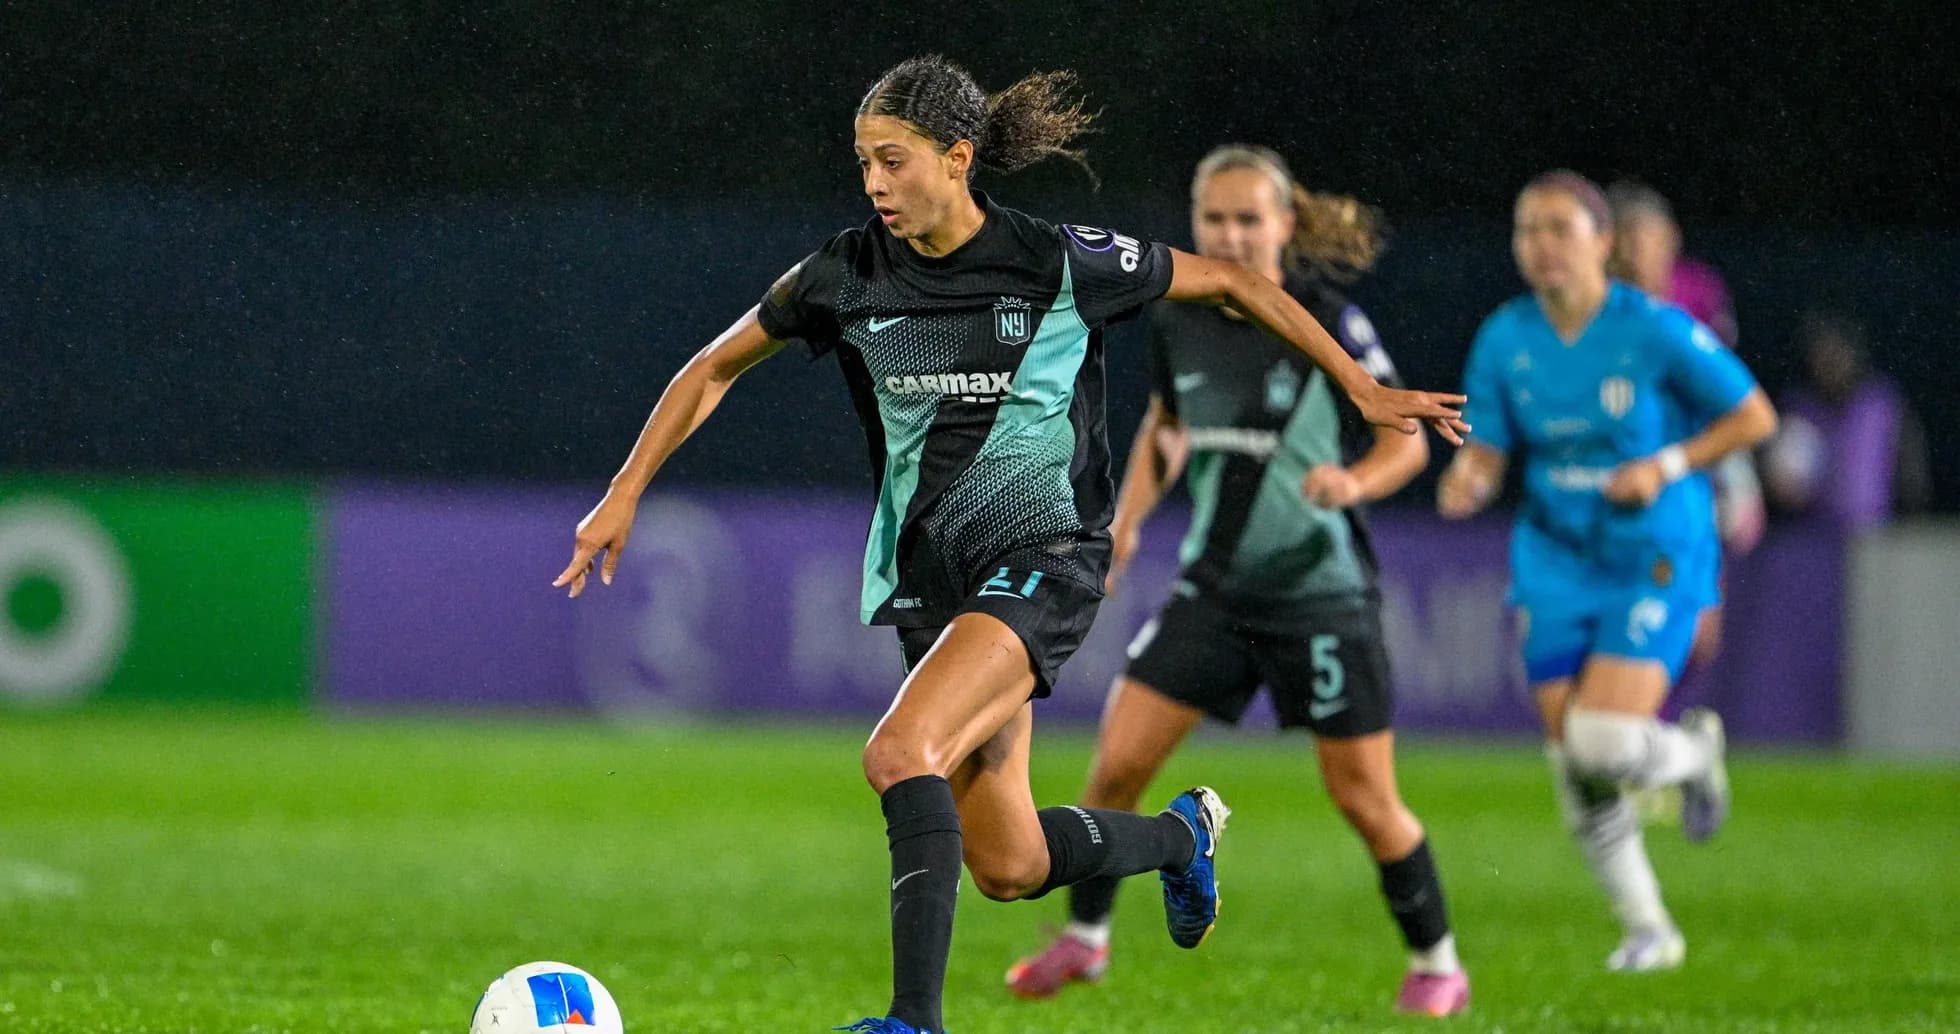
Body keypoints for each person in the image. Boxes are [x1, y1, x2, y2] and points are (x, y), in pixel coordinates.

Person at [553, 56, 1467, 1034]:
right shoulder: (847, 272)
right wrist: (623, 489)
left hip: (1046, 558)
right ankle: (1177, 835)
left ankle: (913, 1019)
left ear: (956, 158)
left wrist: (1359, 390)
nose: (873, 183)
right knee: (1009, 862)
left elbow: (1235, 282)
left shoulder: (1057, 259)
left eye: (892, 161)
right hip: (933, 583)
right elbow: (713, 364)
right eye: (863, 161)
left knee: (900, 748)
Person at [1004, 145, 1469, 1018]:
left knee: (1365, 800)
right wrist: (1128, 519)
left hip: (1318, 592)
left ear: (1286, 226)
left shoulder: (1327, 317)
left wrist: (1354, 483)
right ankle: (1086, 941)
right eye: (1216, 220)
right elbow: (1167, 429)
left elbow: (1402, 433)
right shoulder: (1179, 316)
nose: (1233, 235)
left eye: (1250, 219)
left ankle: (1438, 958)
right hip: (1213, 589)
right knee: (1116, 767)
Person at [1437, 171, 1777, 971]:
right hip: (1555, 557)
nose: (1543, 245)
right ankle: (1649, 929)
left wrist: (1664, 465)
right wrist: (1471, 479)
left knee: (1602, 740)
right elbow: (1489, 449)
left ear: (1603, 242)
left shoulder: (1653, 329)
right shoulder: (1505, 336)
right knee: (1579, 757)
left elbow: (1752, 415)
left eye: (1561, 228)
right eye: (1528, 230)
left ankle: (1693, 758)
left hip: (1651, 551)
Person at [1763, 310, 1931, 528]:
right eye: (1821, 356)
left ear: (1853, 354)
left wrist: (1912, 522)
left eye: (1836, 355)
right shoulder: (1797, 408)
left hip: (1875, 536)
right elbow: (1775, 480)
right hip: (1811, 538)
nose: (1829, 364)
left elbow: (1912, 472)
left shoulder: (1881, 402)